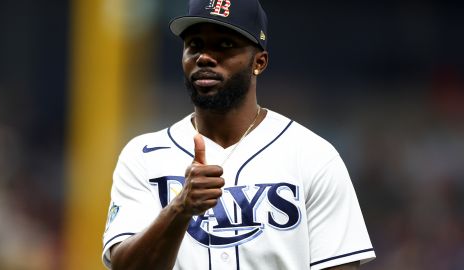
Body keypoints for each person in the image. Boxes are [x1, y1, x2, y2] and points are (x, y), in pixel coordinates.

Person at [102, 0, 375, 269]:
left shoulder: (312, 155)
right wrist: (179, 208)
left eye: (224, 45)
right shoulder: (143, 156)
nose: (205, 57)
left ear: (259, 61)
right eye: (194, 45)